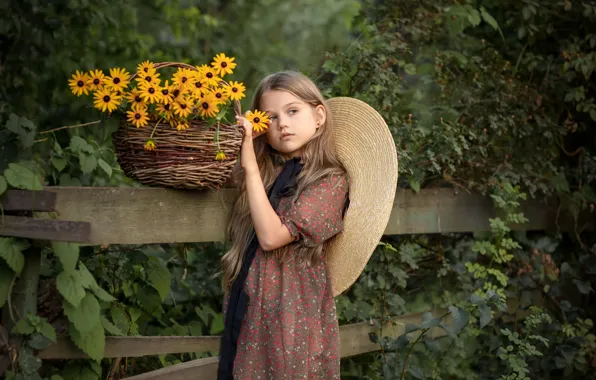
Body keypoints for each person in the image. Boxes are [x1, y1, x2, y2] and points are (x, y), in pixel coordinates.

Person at [217, 71, 399, 379]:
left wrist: (249, 165)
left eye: (292, 111)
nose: (282, 123)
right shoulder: (267, 175)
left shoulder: (330, 182)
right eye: (271, 117)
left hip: (293, 314)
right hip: (254, 309)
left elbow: (272, 238)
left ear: (318, 116)